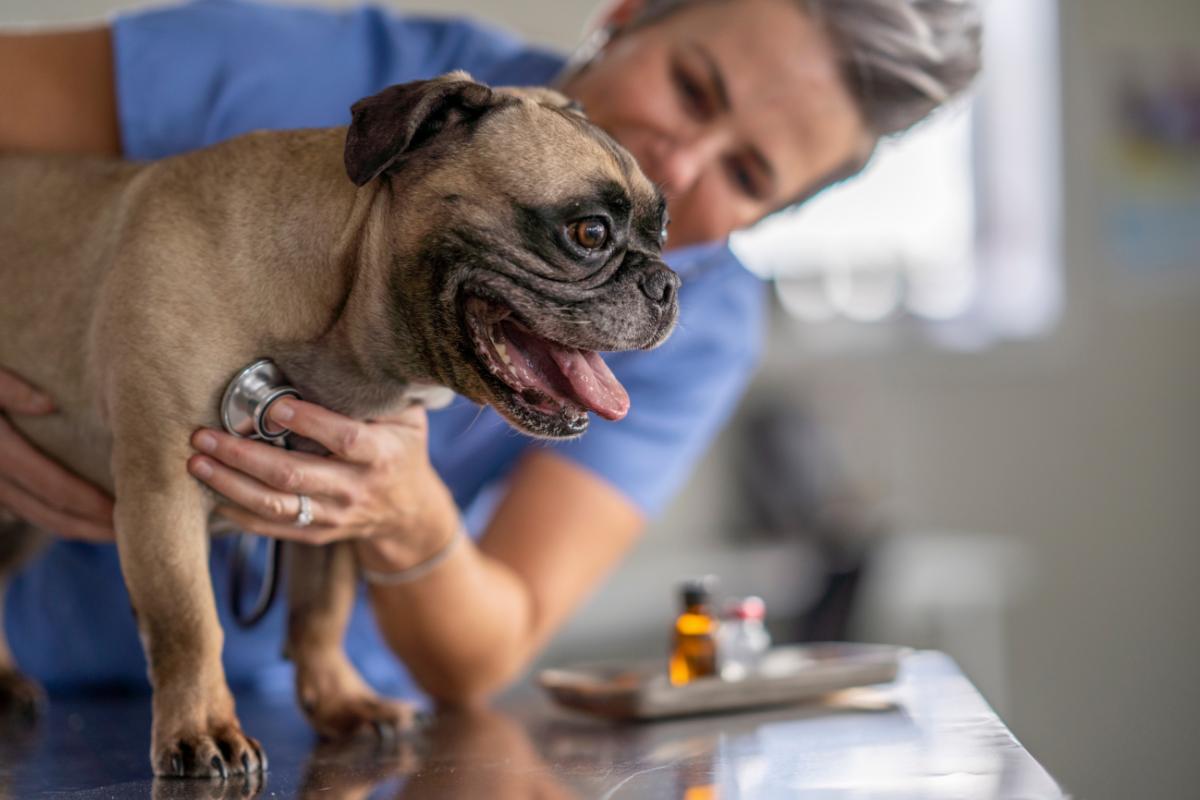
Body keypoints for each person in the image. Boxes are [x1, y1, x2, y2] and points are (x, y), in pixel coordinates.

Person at [0, 0, 982, 706]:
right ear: (630, 14)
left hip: (315, 724)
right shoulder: (291, 65)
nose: (680, 161)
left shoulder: (698, 323)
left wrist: (405, 511)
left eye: (748, 173)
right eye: (693, 85)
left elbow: (488, 645)